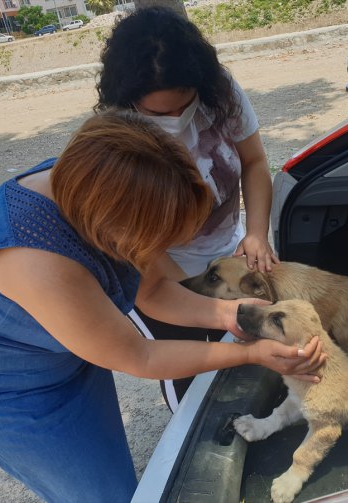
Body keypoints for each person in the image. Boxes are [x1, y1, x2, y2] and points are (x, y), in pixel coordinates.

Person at [0, 110, 325, 503]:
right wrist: (251, 353)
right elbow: (141, 355)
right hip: (4, 383)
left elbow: (150, 292)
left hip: (64, 342)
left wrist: (228, 314)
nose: (162, 252)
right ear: (117, 226)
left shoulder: (102, 188)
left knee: (112, 466)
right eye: (158, 239)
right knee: (103, 495)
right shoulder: (37, 260)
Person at [96, 6, 278, 410]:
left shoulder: (219, 91)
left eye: (186, 105)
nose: (177, 120)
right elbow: (153, 283)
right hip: (167, 275)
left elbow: (254, 162)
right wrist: (212, 303)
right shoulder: (117, 140)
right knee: (197, 383)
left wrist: (254, 234)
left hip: (229, 252)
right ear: (129, 100)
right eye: (159, 114)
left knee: (251, 356)